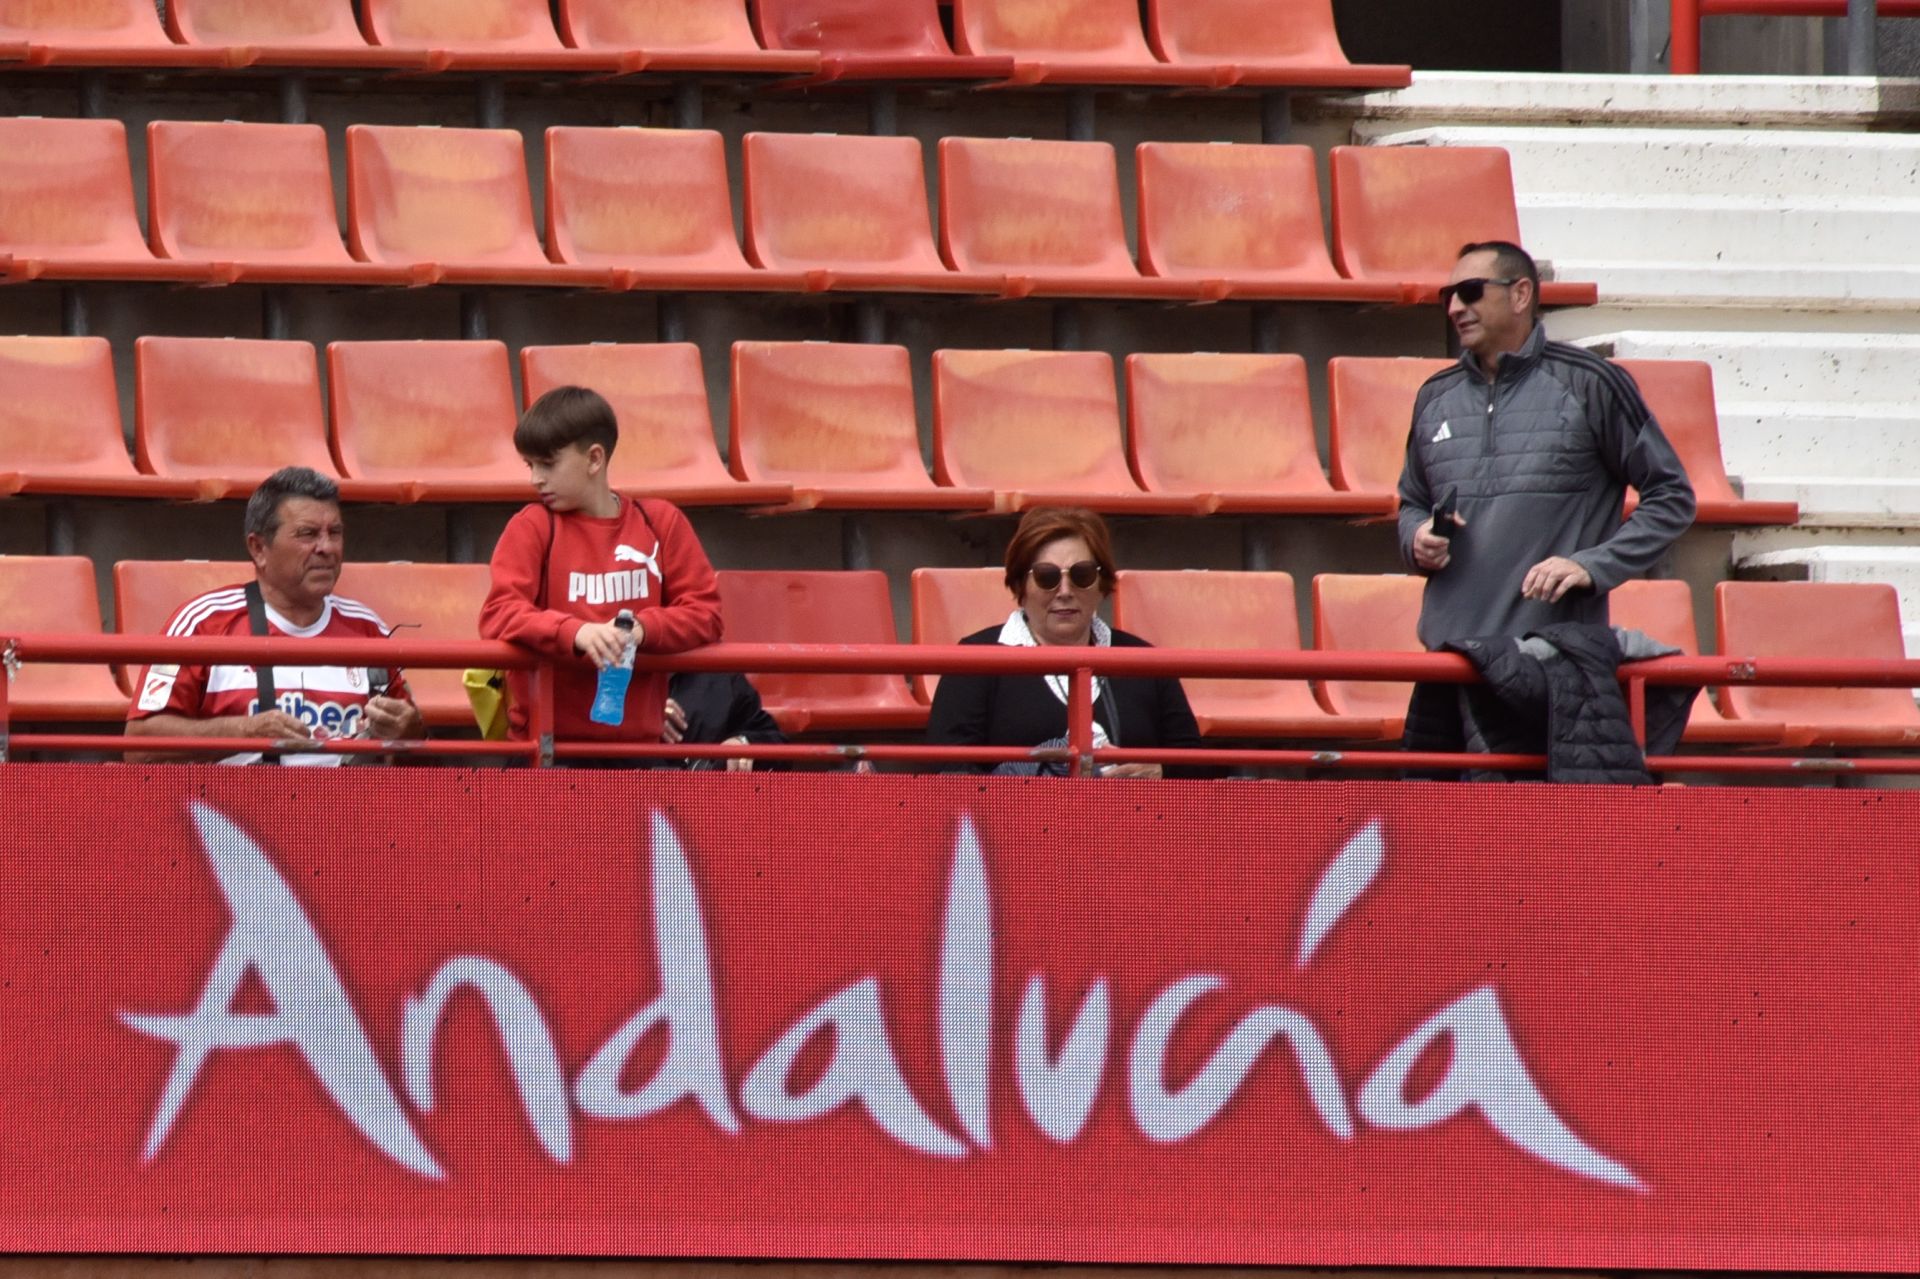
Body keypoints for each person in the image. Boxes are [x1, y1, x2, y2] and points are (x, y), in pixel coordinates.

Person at [1397, 240, 1697, 773]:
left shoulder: (1591, 383)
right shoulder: (1433, 396)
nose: (1455, 307)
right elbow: (1412, 502)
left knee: (1535, 828)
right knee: (1445, 827)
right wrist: (1416, 537)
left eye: (1470, 291)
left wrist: (1591, 565)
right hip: (1449, 673)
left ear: (1520, 295)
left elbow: (1671, 497)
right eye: (1449, 295)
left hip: (1550, 676)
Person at [480, 385, 723, 757]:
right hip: (546, 751)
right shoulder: (531, 526)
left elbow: (706, 614)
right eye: (531, 466)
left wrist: (642, 629)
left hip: (640, 753)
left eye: (548, 464)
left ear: (595, 459)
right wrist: (576, 633)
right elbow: (499, 613)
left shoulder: (662, 522)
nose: (535, 480)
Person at [125, 467, 425, 764]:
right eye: (308, 534)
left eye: (335, 533)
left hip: (349, 797)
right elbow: (140, 747)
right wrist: (244, 731)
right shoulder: (201, 623)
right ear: (258, 549)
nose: (327, 547)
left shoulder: (370, 629)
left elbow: (415, 756)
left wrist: (410, 733)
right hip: (230, 798)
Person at [926, 507, 1200, 777]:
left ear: (1101, 584)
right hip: (1019, 809)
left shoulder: (1145, 660)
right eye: (1047, 577)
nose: (1065, 591)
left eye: (1082, 575)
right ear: (1020, 585)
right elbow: (949, 774)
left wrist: (1159, 772)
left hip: (1134, 808)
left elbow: (1198, 767)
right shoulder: (975, 660)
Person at [661, 672, 786, 771]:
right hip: (649, 789)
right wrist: (649, 715)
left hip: (705, 791)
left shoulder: (721, 675)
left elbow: (776, 742)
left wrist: (744, 742)